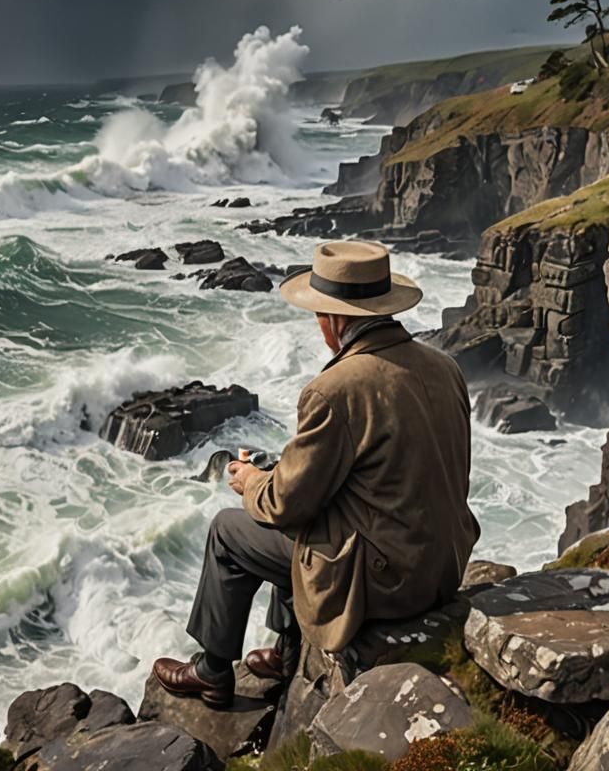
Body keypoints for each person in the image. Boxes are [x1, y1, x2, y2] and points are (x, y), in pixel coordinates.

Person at [152, 240, 479, 708]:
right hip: (441, 566)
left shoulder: (336, 389)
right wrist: (279, 476)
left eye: (320, 315)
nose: (319, 325)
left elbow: (286, 504)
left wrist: (249, 480)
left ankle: (212, 671)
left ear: (337, 320)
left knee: (230, 530)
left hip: (388, 583)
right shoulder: (445, 367)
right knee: (313, 515)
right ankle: (289, 653)